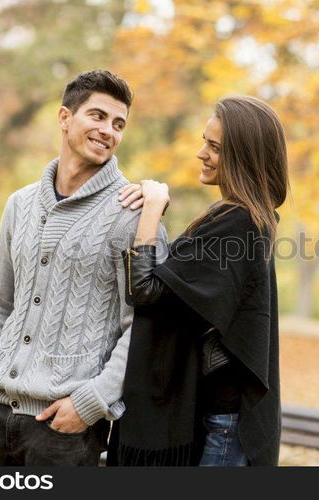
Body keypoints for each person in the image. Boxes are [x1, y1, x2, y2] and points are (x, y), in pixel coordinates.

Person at [0, 69, 164, 466]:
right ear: (64, 118)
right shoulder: (20, 204)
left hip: (63, 429)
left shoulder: (134, 213)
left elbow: (145, 323)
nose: (108, 131)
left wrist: (93, 401)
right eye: (97, 116)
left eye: (119, 124)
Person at [112, 95, 288, 466]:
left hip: (225, 431)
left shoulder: (238, 224)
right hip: (219, 422)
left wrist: (152, 206)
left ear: (243, 158)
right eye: (204, 141)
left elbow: (144, 290)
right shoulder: (242, 218)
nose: (201, 153)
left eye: (215, 147)